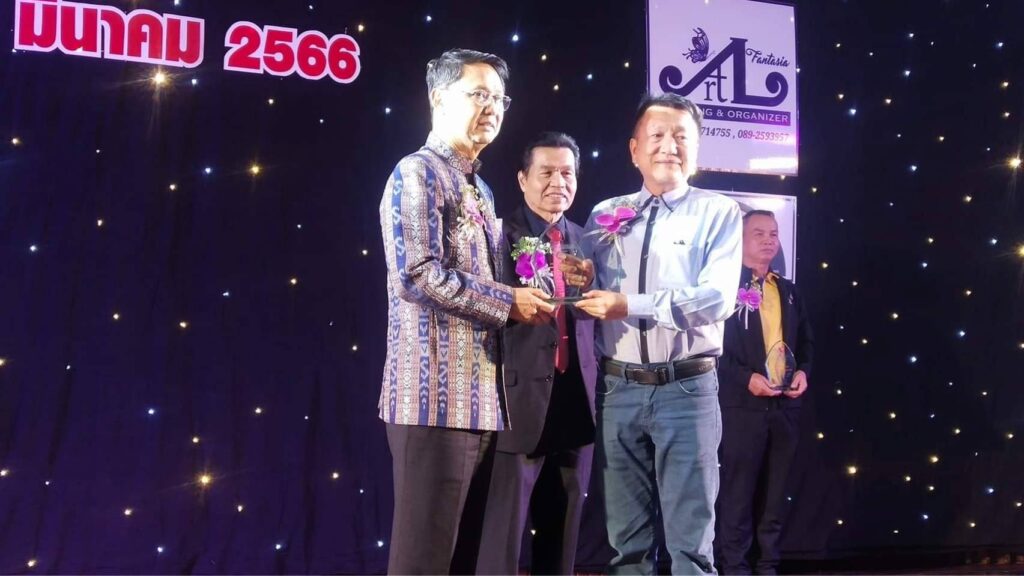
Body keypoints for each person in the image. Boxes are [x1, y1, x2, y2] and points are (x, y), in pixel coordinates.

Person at [377, 48, 553, 575]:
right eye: (478, 94)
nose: (492, 107)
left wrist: (538, 282)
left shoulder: (482, 187)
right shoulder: (418, 173)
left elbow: (484, 277)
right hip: (432, 401)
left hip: (481, 404)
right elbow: (417, 274)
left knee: (466, 561)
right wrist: (508, 302)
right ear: (438, 98)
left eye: (499, 98)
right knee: (423, 562)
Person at [576, 92, 744, 574]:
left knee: (691, 547)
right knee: (626, 546)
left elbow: (716, 299)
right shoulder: (605, 215)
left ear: (697, 149)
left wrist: (629, 304)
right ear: (634, 150)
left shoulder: (718, 212)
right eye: (657, 135)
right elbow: (585, 293)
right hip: (618, 389)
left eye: (681, 137)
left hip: (686, 389)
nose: (669, 146)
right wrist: (576, 281)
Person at [477, 132, 597, 575]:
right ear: (522, 179)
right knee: (501, 543)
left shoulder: (588, 241)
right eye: (546, 172)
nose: (558, 182)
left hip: (575, 400)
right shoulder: (496, 236)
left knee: (562, 540)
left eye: (567, 173)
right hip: (517, 402)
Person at [715, 209, 814, 575]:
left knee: (774, 498)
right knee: (737, 497)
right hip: (741, 408)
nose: (769, 240)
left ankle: (767, 566)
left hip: (784, 409)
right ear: (739, 239)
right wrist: (746, 379)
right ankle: (734, 568)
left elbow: (806, 342)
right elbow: (712, 351)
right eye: (759, 233)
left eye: (773, 233)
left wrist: (802, 371)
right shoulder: (724, 289)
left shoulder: (787, 291)